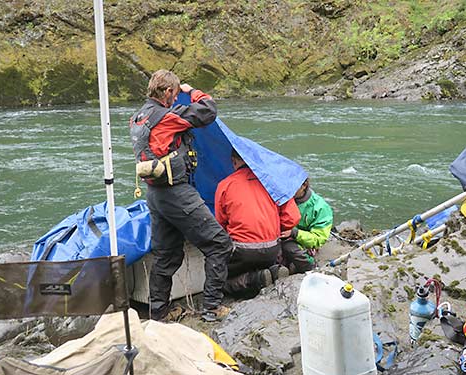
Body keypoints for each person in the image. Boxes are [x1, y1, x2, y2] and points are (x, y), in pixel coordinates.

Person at [129, 70, 233, 322]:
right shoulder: (167, 117)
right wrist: (191, 91)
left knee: (167, 255)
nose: (176, 99)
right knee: (219, 244)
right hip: (177, 193)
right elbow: (208, 110)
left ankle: (159, 314)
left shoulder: (138, 117)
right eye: (174, 94)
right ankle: (211, 307)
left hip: (155, 195)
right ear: (166, 92)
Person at [214, 149, 300, 296]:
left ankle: (256, 279)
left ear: (234, 162)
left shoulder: (225, 185)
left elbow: (219, 224)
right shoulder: (272, 181)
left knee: (220, 281)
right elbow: (292, 217)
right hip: (272, 249)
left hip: (241, 251)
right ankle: (273, 272)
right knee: (261, 262)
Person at [280, 178, 333, 273]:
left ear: (304, 186)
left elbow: (319, 239)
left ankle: (309, 268)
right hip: (279, 236)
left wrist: (294, 233)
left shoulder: (321, 207)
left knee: (289, 248)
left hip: (301, 242)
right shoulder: (281, 198)